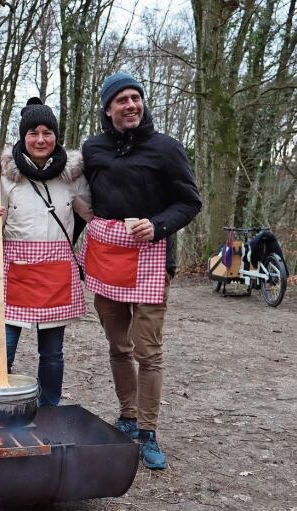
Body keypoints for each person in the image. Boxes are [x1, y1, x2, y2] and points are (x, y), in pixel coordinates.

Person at [81, 72, 202, 469]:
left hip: (151, 259)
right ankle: (128, 416)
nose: (131, 105)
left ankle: (148, 431)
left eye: (136, 98)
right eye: (122, 100)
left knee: (148, 350)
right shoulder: (93, 149)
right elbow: (76, 193)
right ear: (107, 108)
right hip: (105, 261)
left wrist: (159, 225)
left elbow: (189, 202)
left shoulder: (166, 149)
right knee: (118, 346)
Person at [0, 97, 93, 407]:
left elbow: (93, 218)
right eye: (33, 133)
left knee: (53, 354)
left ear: (56, 136)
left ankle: (50, 409)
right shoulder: (4, 175)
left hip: (55, 274)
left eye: (47, 132)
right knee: (1, 351)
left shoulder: (72, 177)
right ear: (23, 137)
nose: (40, 139)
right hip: (13, 271)